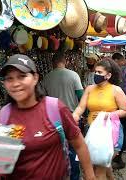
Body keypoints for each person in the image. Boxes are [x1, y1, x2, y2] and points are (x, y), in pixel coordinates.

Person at [0, 54, 95, 180]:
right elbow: (1, 161)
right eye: (9, 79)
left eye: (22, 76)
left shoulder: (55, 108)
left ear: (35, 78)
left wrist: (90, 175)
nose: (15, 83)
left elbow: (80, 145)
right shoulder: (4, 115)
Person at [73, 58, 126, 180]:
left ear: (108, 75)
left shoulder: (116, 90)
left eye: (100, 72)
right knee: (98, 165)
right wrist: (75, 115)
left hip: (108, 133)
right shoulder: (89, 89)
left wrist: (107, 115)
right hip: (91, 131)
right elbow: (81, 107)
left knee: (99, 169)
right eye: (95, 72)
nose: (96, 75)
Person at [42, 52, 84, 180]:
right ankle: (74, 176)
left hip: (52, 117)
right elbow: (81, 96)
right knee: (74, 148)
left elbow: (42, 98)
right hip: (72, 116)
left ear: (53, 62)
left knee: (57, 149)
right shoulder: (73, 75)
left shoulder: (47, 77)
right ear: (64, 61)